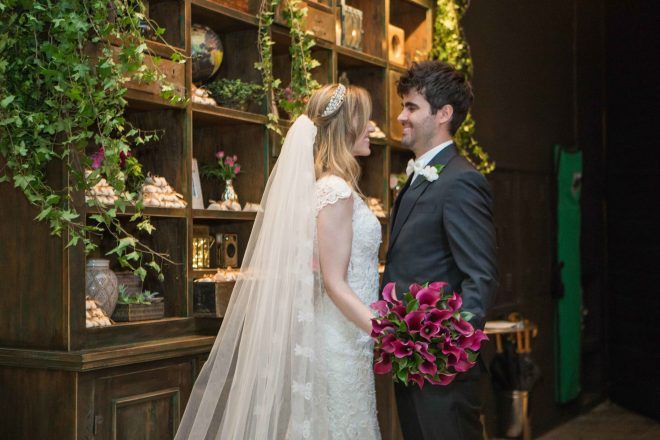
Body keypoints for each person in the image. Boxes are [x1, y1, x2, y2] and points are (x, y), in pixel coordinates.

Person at [175, 84, 382, 439]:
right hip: (343, 337)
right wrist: (386, 331)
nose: (370, 129)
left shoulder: (327, 187)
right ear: (346, 128)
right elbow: (334, 282)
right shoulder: (336, 192)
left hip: (347, 333)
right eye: (364, 120)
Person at [382, 60, 498, 439]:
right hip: (410, 363)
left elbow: (480, 276)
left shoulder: (462, 180)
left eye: (411, 107)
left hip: (442, 375)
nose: (401, 116)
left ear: (443, 114)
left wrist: (449, 356)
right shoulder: (419, 176)